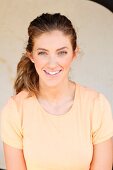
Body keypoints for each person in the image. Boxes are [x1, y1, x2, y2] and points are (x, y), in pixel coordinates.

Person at [0, 13, 113, 170]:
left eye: (62, 52)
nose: (52, 64)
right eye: (42, 53)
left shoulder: (96, 105)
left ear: (74, 54)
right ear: (31, 56)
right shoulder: (15, 110)